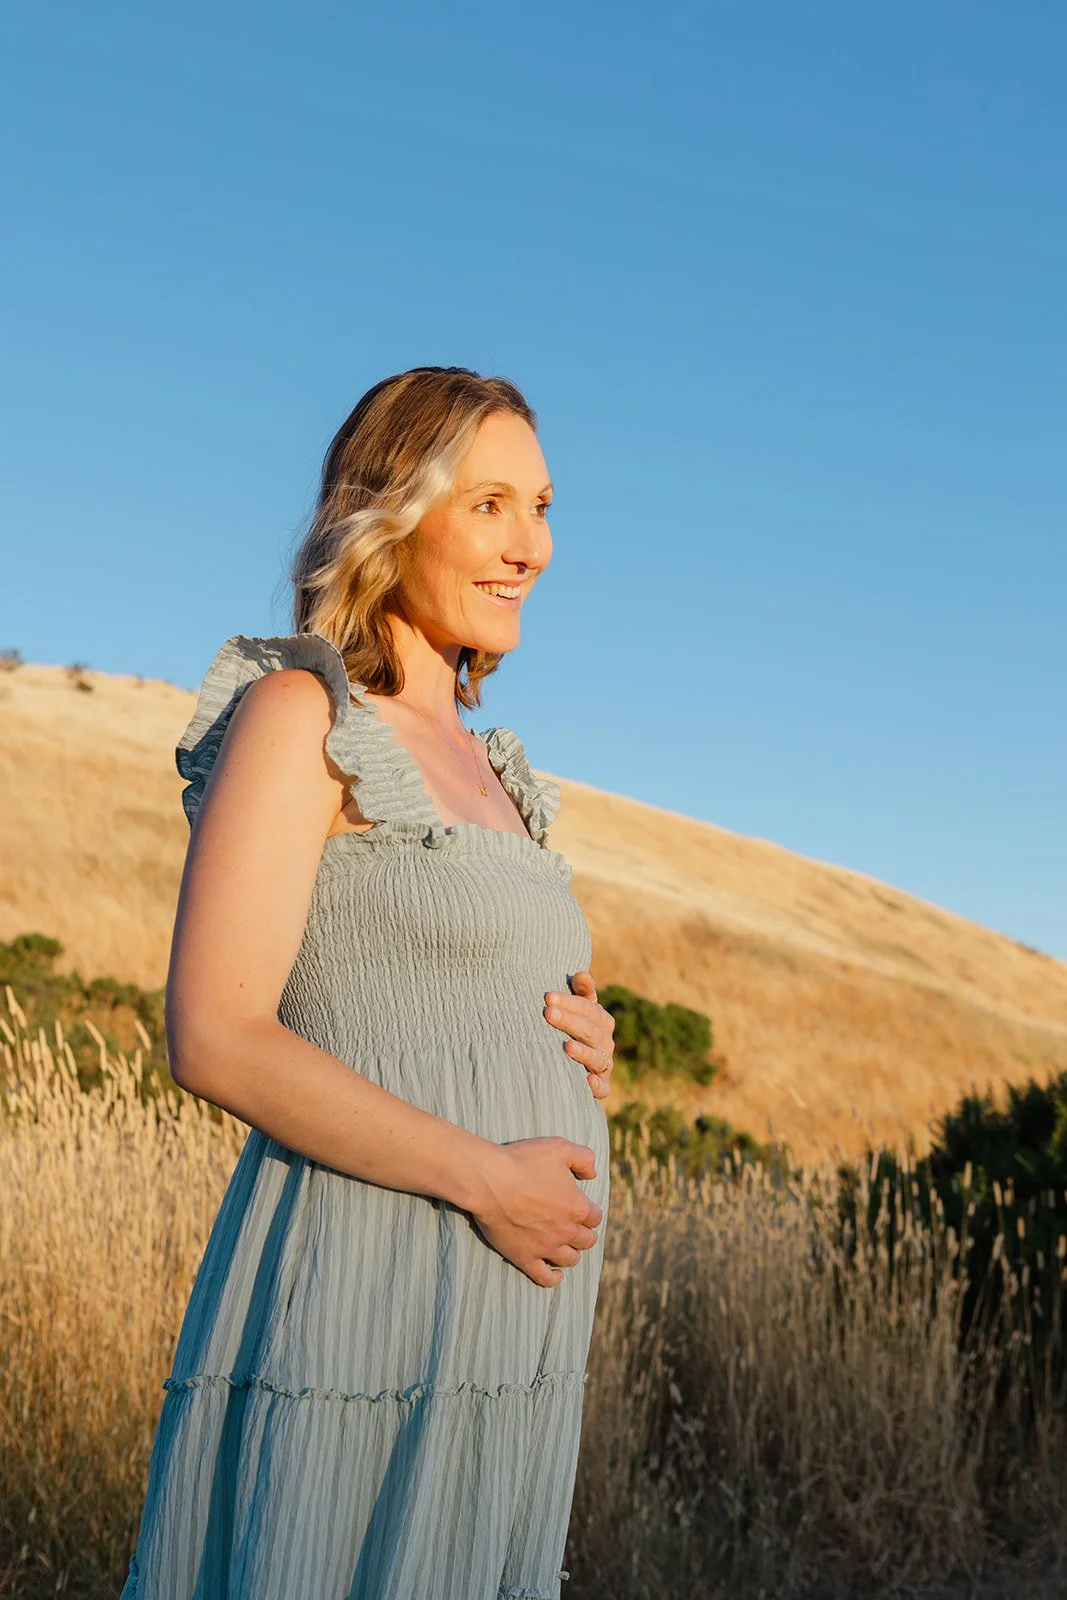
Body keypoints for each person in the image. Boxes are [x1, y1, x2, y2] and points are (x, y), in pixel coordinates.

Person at [120, 366, 615, 1600]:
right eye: (489, 504)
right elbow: (215, 1033)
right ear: (389, 513)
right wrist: (486, 1176)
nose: (532, 546)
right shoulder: (302, 714)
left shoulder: (498, 769)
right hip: (369, 1283)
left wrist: (576, 1039)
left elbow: (454, 990)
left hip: (511, 1327)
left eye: (541, 507)